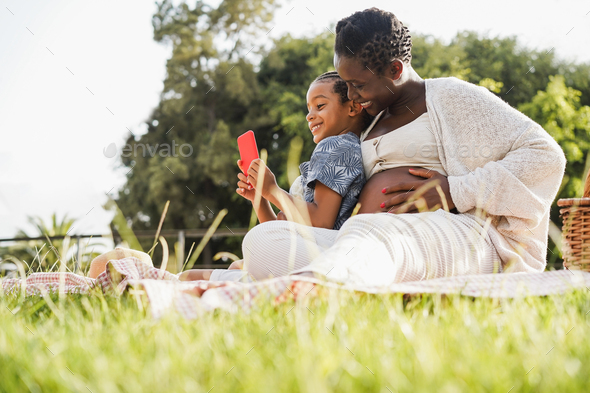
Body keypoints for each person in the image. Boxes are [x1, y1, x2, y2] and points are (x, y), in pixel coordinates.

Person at [241, 8, 566, 286]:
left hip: (463, 239)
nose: (351, 96)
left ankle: (323, 285)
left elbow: (545, 157)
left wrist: (454, 190)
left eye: (357, 85)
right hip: (364, 240)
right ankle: (333, 278)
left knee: (375, 236)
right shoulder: (367, 120)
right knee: (261, 242)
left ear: (395, 70)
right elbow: (325, 203)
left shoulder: (449, 97)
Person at [179, 71, 369, 282]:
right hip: (315, 252)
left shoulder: (336, 145)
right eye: (309, 109)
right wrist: (260, 198)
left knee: (190, 276)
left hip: (323, 255)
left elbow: (321, 221)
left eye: (320, 106)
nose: (310, 115)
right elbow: (276, 231)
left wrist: (273, 191)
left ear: (353, 107)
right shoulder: (346, 147)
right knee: (235, 265)